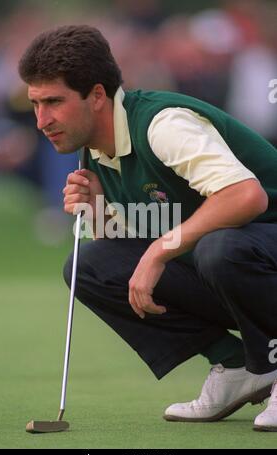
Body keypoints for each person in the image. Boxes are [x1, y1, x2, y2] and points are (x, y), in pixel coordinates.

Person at [18, 24, 277, 431]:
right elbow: (125, 250)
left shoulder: (164, 125)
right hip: (236, 267)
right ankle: (237, 366)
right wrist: (100, 210)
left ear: (98, 95)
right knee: (90, 266)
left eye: (54, 102)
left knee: (220, 247)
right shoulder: (96, 149)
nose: (41, 120)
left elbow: (247, 197)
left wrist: (160, 251)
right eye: (35, 103)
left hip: (258, 248)